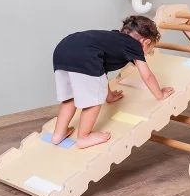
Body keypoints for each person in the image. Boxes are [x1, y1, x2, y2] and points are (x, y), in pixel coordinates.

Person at [51, 15, 175, 148]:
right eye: (149, 51)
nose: (145, 54)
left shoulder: (113, 39)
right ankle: (84, 137)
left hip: (63, 50)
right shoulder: (134, 45)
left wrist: (109, 96)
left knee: (70, 98)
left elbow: (100, 73)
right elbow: (147, 76)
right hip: (84, 57)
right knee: (93, 102)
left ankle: (58, 134)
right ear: (146, 42)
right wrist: (160, 95)